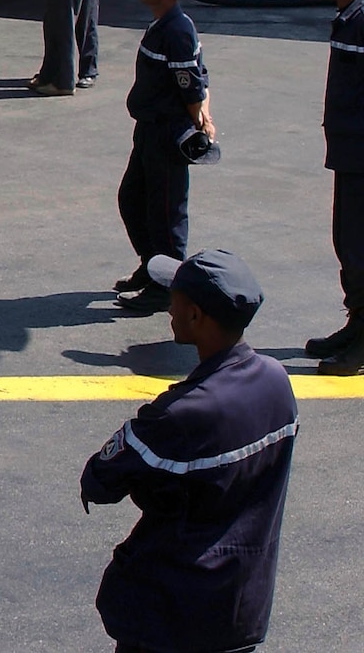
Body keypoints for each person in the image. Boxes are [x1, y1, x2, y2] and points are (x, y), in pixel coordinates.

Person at [81, 249, 296, 653]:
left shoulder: (177, 415)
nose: (169, 307)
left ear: (195, 315)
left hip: (173, 618)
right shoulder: (277, 382)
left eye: (173, 297)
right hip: (240, 611)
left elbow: (100, 481)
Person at [114, 0, 216, 315]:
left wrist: (201, 119)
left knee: (166, 212)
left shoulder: (177, 29)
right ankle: (151, 265)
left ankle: (166, 285)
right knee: (132, 199)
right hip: (148, 131)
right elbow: (198, 78)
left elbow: (192, 84)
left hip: (167, 134)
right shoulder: (163, 25)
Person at [310, 0, 364, 373]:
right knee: (347, 241)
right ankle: (357, 323)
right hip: (349, 152)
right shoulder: (350, 17)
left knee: (360, 245)